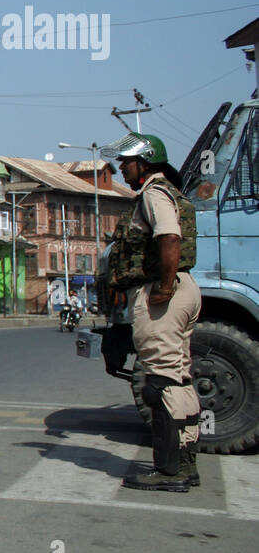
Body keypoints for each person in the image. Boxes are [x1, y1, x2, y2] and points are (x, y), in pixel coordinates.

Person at [101, 133, 201, 492]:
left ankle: (168, 470)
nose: (122, 169)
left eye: (126, 163)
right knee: (180, 376)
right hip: (184, 288)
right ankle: (186, 462)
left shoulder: (154, 194)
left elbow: (169, 238)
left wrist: (162, 286)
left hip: (166, 292)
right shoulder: (172, 192)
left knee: (158, 383)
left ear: (144, 161)